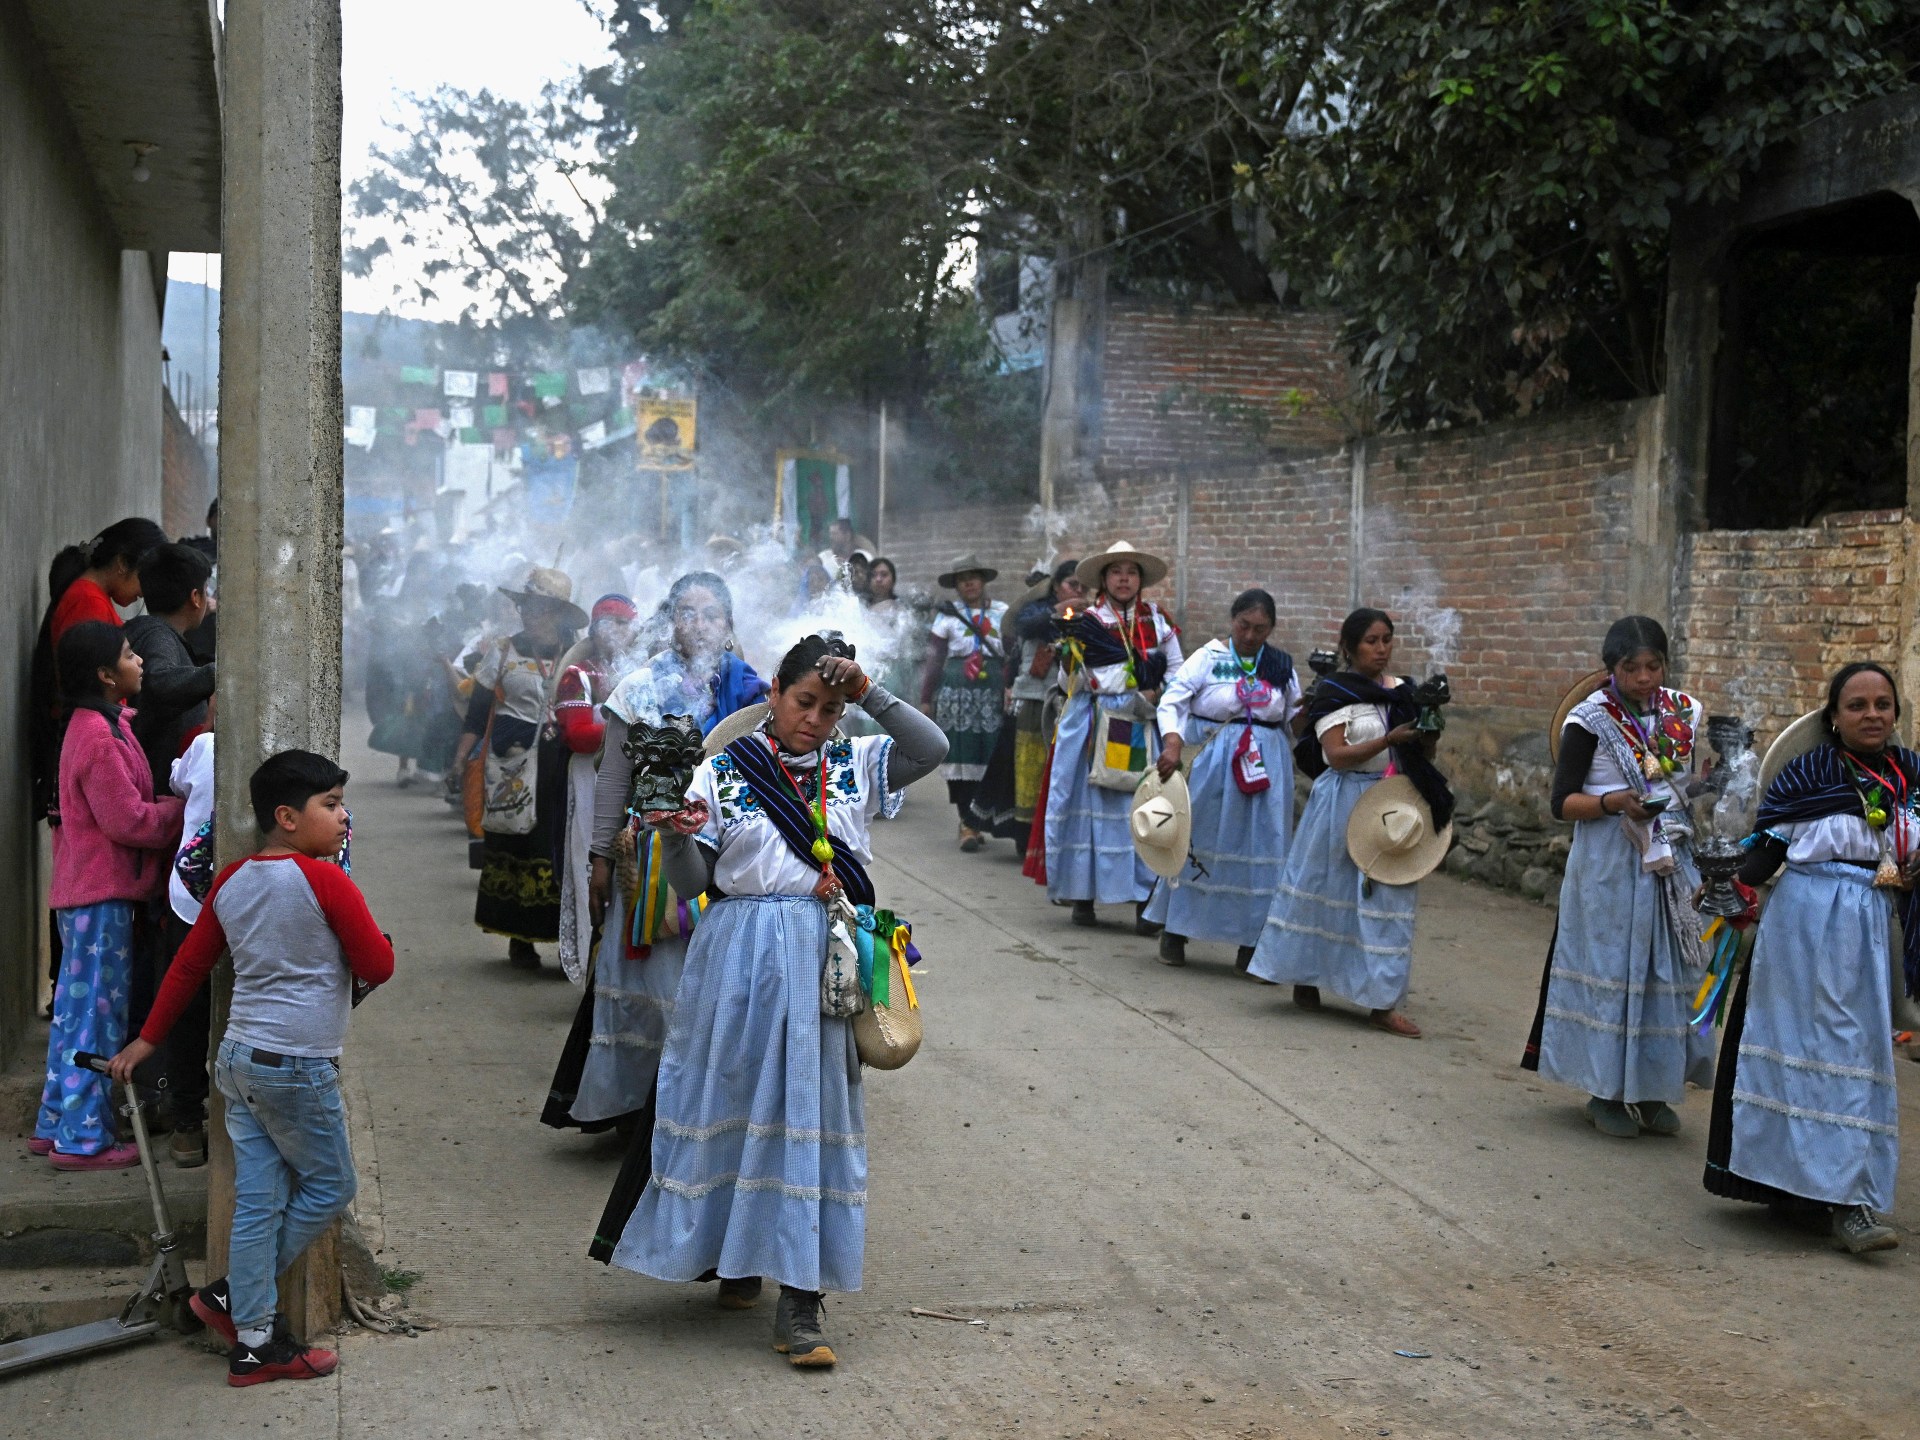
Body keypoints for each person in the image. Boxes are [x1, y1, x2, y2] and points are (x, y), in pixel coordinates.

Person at [601, 634, 948, 1368]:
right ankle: (736, 1260)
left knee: (807, 1111)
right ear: (775, 698)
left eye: (831, 707)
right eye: (804, 702)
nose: (816, 719)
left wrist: (871, 692)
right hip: (738, 954)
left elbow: (933, 746)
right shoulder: (723, 773)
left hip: (822, 955)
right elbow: (693, 883)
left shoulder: (853, 764)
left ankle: (801, 1300)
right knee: (734, 1098)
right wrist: (677, 836)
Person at [109, 749, 393, 1385]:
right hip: (297, 1066)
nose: (345, 817)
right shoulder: (328, 882)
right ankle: (235, 1297)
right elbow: (378, 966)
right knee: (330, 1186)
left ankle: (255, 1345)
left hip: (237, 1063)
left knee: (258, 1204)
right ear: (287, 818)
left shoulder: (231, 881)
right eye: (332, 805)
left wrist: (145, 1043)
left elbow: (188, 966)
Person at [1703, 663, 1917, 1254]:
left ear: (1895, 713)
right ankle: (1795, 1190)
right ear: (1833, 717)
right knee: (1795, 1051)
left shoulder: (1912, 777)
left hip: (1869, 932)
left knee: (1855, 1056)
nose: (1871, 714)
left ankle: (1851, 1201)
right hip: (1801, 928)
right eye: (1857, 705)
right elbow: (1769, 848)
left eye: (1882, 704)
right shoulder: (1806, 775)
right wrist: (1728, 887)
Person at [545, 573, 766, 1134]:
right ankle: (640, 1112)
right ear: (671, 623)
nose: (699, 624)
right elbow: (614, 780)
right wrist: (599, 857)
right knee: (653, 992)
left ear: (729, 624)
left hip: (730, 863)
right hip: (648, 865)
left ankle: (712, 1110)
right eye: (687, 613)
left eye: (711, 614)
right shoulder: (640, 689)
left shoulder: (756, 697)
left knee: (718, 992)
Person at [1532, 617, 1713, 1137]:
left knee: (1666, 973)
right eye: (1630, 668)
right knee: (1614, 970)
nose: (1643, 678)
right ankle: (1604, 1091)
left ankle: (1654, 1091)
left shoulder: (1680, 713)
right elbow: (1561, 804)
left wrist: (1709, 783)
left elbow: (1679, 787)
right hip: (1610, 862)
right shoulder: (1589, 720)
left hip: (1670, 862)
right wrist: (1614, 802)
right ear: (1610, 669)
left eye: (1653, 665)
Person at [1247, 608, 1452, 1037]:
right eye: (1371, 641)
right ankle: (1307, 977)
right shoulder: (1335, 692)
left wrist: (1427, 730)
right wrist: (1387, 739)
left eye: (1387, 640)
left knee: (1388, 897)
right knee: (1325, 888)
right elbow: (1335, 756)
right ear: (1349, 647)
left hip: (1391, 802)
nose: (1381, 649)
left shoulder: (1403, 692)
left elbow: (1422, 756)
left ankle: (1382, 1003)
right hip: (1342, 800)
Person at [33, 622, 184, 1169]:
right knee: (98, 1017)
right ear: (104, 676)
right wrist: (180, 809)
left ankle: (57, 1120)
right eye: (128, 655)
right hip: (101, 896)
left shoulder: (98, 724)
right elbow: (130, 822)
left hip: (87, 894)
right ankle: (84, 1138)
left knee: (75, 1014)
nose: (139, 661)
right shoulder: (98, 737)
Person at [1145, 588, 1302, 971]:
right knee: (1198, 838)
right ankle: (1175, 930)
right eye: (1243, 625)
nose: (1250, 635)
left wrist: (1313, 706)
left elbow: (1294, 719)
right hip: (1213, 760)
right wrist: (1171, 744)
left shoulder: (1280, 666)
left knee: (1262, 847)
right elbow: (1173, 700)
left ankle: (1251, 944)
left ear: (1271, 629)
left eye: (1260, 629)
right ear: (1231, 620)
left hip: (1266, 767)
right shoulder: (1208, 657)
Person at [1043, 541, 1183, 931]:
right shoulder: (1086, 622)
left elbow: (1177, 672)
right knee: (1092, 809)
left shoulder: (1158, 622)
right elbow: (1069, 681)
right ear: (1104, 579)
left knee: (1143, 809)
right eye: (1116, 571)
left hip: (1143, 724)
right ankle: (1083, 896)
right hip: (1096, 727)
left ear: (1140, 580)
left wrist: (1157, 693)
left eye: (1132, 572)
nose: (1125, 578)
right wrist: (1073, 661)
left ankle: (1144, 902)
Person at [451, 567, 585, 969]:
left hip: (561, 766)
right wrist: (461, 758)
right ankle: (519, 939)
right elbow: (476, 714)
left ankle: (568, 943)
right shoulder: (503, 651)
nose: (531, 615)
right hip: (513, 765)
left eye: (541, 608)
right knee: (516, 842)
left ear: (558, 614)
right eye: (526, 606)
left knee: (561, 845)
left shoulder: (577, 656)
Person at [549, 595, 641, 986]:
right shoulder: (579, 674)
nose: (615, 632)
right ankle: (593, 973)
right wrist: (634, 730)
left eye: (624, 624)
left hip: (633, 780)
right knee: (593, 865)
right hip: (590, 781)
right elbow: (578, 735)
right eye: (608, 623)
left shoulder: (642, 674)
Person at [969, 563, 1082, 853]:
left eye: (1082, 586)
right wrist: (1061, 611)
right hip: (1032, 701)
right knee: (1023, 768)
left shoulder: (1089, 615)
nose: (1078, 591)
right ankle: (1023, 835)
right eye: (1072, 584)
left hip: (1071, 701)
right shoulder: (1036, 611)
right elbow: (1024, 627)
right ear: (1056, 587)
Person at [919, 556, 1008, 852]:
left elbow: (1012, 653)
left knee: (991, 756)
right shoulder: (947, 616)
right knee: (960, 757)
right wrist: (926, 699)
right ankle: (966, 822)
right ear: (956, 586)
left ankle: (981, 818)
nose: (968, 583)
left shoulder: (1002, 613)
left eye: (973, 577)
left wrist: (1009, 687)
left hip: (993, 692)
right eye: (962, 579)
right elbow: (934, 660)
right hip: (956, 694)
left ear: (983, 581)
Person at [124, 542, 216, 793]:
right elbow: (158, 680)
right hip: (156, 791)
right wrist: (220, 675)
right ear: (195, 598)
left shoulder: (153, 631)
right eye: (206, 591)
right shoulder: (157, 635)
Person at [50, 517, 166, 647]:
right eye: (146, 577)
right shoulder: (89, 602)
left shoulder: (93, 598)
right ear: (123, 563)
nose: (145, 591)